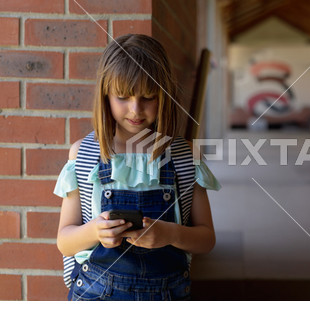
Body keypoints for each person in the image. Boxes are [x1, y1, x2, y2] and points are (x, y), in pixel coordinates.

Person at [54, 34, 221, 301]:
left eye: (148, 97)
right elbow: (65, 241)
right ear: (105, 95)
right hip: (96, 295)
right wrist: (95, 231)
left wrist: (170, 234)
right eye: (122, 97)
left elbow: (206, 239)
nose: (135, 109)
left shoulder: (184, 156)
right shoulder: (84, 154)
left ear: (164, 95)